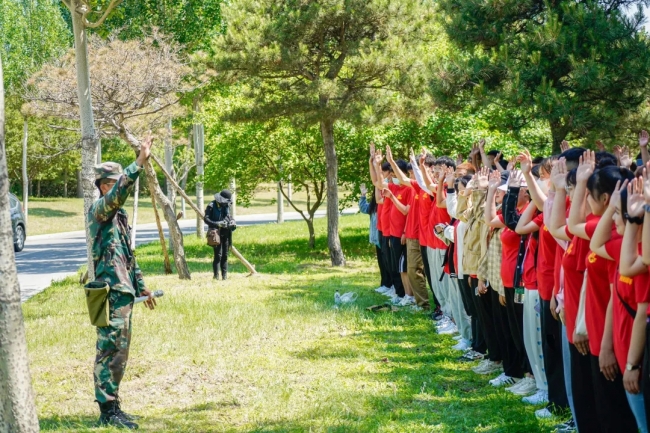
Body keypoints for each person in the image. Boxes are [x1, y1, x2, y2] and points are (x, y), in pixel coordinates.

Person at [88, 132, 157, 429]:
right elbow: (120, 191)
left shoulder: (119, 216)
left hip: (124, 292)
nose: (119, 188)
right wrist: (139, 162)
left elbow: (129, 255)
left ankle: (114, 405)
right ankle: (106, 411)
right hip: (109, 293)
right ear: (105, 186)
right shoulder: (100, 210)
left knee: (120, 352)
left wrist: (142, 286)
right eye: (114, 182)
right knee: (109, 350)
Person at [205, 189, 237, 280]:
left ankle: (224, 276)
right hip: (216, 233)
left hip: (226, 232)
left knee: (225, 255)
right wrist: (217, 223)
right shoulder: (211, 205)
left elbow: (229, 216)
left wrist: (232, 221)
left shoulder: (227, 205)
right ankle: (216, 276)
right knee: (218, 255)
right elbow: (206, 219)